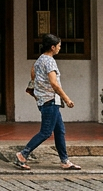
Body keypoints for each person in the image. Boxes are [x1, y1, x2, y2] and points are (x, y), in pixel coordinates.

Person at [14, 33, 80, 171]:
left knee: (60, 131)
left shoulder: (38, 61)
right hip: (50, 100)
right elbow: (54, 84)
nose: (60, 48)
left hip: (45, 100)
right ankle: (23, 153)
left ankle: (65, 160)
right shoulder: (49, 61)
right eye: (59, 46)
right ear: (52, 47)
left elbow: (33, 76)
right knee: (45, 132)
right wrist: (67, 99)